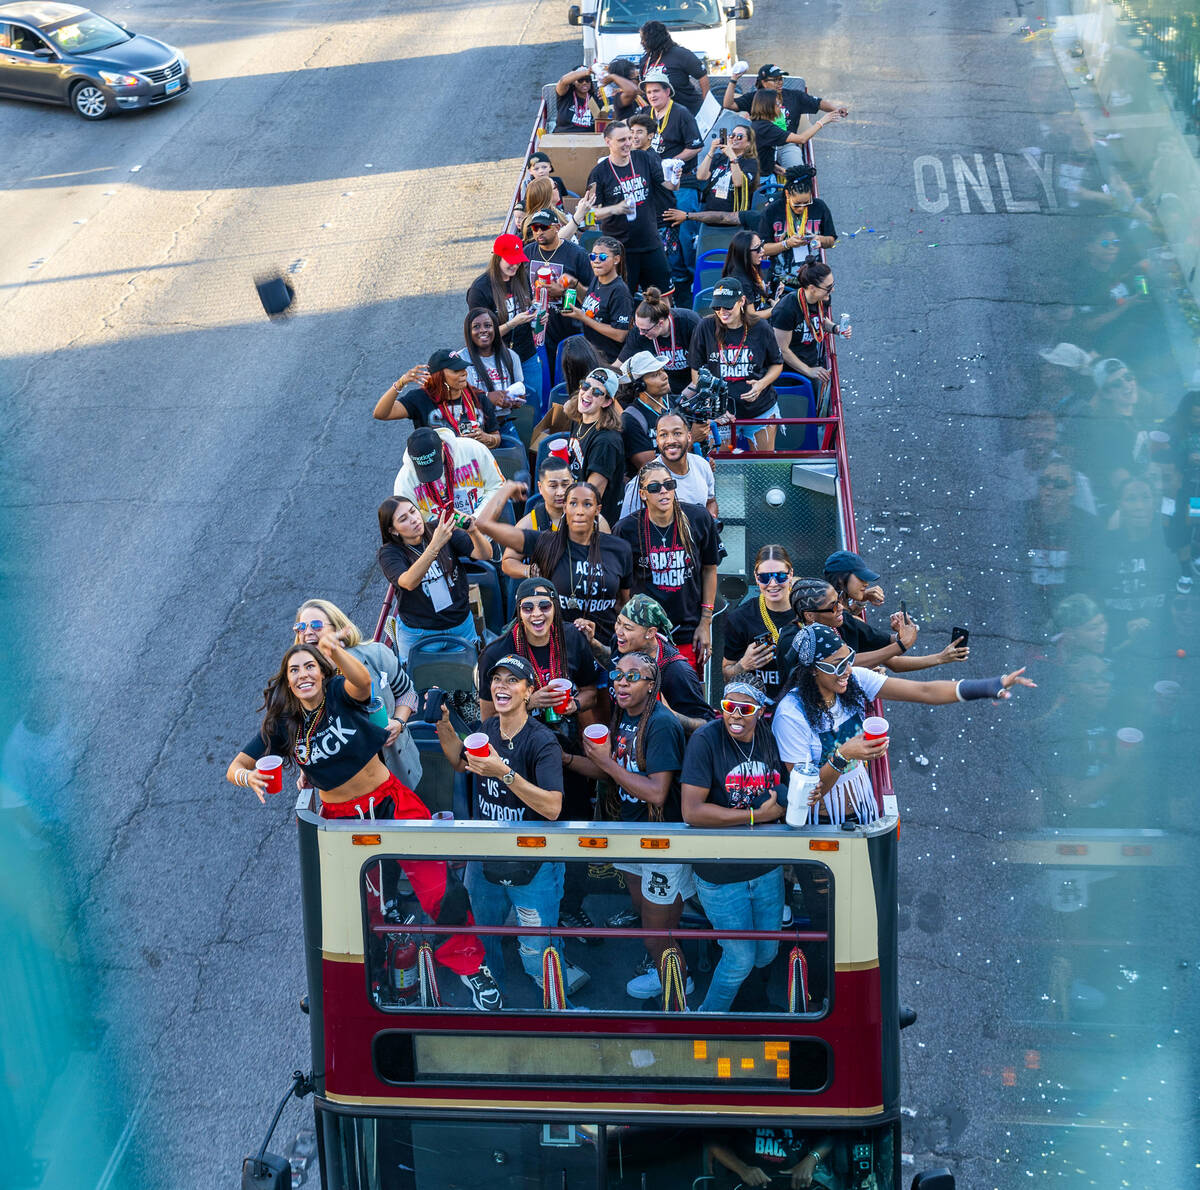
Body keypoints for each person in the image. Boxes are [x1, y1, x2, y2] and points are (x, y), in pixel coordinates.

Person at [227, 632, 502, 1010]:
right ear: (287, 680)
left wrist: (335, 650)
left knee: (439, 887)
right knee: (359, 907)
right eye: (294, 669)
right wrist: (250, 777)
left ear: (322, 673)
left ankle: (471, 968)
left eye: (310, 666)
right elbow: (236, 767)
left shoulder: (339, 692)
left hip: (390, 802)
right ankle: (365, 979)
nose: (303, 674)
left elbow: (364, 682)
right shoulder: (284, 724)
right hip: (342, 823)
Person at [773, 624, 1035, 824]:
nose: (847, 670)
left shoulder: (855, 679)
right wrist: (843, 755)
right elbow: (807, 795)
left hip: (864, 812)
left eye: (848, 659)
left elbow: (925, 692)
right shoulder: (790, 715)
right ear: (810, 670)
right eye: (836, 665)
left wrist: (992, 685)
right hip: (821, 825)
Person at [435, 654, 585, 997]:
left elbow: (552, 807)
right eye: (496, 680)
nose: (501, 686)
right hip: (485, 859)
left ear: (528, 692)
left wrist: (503, 772)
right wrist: (445, 728)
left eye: (512, 680)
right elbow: (462, 763)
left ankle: (554, 1003)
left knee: (537, 949)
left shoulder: (542, 741)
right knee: (485, 940)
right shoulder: (487, 729)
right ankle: (494, 998)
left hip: (534, 866)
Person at [477, 579, 604, 943]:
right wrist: (531, 704)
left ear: (555, 608)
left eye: (544, 606)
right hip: (517, 753)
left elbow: (595, 691)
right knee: (521, 831)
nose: (537, 614)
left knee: (572, 829)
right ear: (517, 611)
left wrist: (573, 705)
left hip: (565, 754)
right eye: (528, 607)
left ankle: (567, 906)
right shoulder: (497, 652)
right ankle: (517, 910)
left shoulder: (572, 639)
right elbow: (487, 719)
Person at [572, 650, 692, 1001]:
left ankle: (679, 986)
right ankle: (664, 970)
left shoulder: (662, 724)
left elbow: (657, 792)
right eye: (617, 676)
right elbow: (614, 773)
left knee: (655, 934)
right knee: (646, 916)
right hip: (632, 833)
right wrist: (569, 759)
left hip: (662, 841)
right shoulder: (622, 718)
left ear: (652, 685)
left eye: (632, 676)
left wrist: (607, 764)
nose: (621, 682)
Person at [680, 677, 787, 1013]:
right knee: (740, 957)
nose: (735, 715)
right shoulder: (706, 740)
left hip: (767, 866)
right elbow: (692, 811)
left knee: (767, 951)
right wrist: (755, 816)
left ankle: (750, 1004)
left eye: (745, 709)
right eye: (728, 707)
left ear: (761, 712)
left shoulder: (772, 737)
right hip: (720, 872)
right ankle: (706, 1024)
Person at [476, 479, 634, 647]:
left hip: (604, 647)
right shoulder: (545, 542)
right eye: (573, 504)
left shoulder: (619, 549)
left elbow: (622, 603)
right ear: (565, 508)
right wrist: (508, 488)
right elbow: (483, 524)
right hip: (556, 648)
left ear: (597, 510)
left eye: (587, 504)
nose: (579, 511)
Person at [614, 460, 720, 668]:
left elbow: (710, 569)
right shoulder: (626, 529)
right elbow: (622, 588)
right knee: (646, 694)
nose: (663, 491)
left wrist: (705, 622)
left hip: (690, 630)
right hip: (645, 634)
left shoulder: (698, 518)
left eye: (669, 485)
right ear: (643, 494)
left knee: (690, 693)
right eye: (654, 487)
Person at [291, 600, 418, 771]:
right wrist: (309, 768)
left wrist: (399, 723)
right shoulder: (302, 682)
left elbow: (407, 692)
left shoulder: (376, 654)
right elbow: (304, 732)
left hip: (397, 764)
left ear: (336, 628)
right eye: (301, 627)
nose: (307, 632)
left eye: (316, 625)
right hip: (350, 778)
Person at [376, 496, 490, 661]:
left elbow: (485, 554)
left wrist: (473, 531)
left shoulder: (438, 528)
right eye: (403, 519)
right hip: (419, 632)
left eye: (413, 511)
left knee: (468, 678)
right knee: (416, 683)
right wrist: (436, 544)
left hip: (460, 624)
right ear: (393, 530)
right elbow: (408, 582)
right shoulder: (389, 553)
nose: (414, 519)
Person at [793, 577, 967, 674]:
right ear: (809, 615)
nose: (840, 608)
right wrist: (901, 645)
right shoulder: (797, 639)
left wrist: (900, 634)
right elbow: (846, 663)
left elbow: (888, 652)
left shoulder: (843, 619)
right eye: (833, 606)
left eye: (839, 601)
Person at [689, 278, 783, 450]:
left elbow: (777, 364)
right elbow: (696, 369)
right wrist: (712, 403)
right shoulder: (705, 327)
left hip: (759, 409)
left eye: (727, 306)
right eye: (717, 307)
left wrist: (761, 384)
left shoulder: (761, 327)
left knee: (763, 465)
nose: (722, 311)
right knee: (720, 467)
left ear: (742, 301)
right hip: (719, 412)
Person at [586, 121, 672, 296]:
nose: (628, 143)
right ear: (608, 141)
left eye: (629, 138)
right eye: (621, 140)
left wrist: (675, 178)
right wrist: (614, 209)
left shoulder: (643, 158)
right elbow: (588, 216)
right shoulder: (599, 173)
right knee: (624, 299)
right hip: (620, 251)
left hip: (650, 243)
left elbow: (667, 185)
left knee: (662, 298)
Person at [607, 595, 716, 729]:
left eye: (628, 628)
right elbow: (611, 660)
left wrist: (668, 715)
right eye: (618, 622)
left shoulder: (676, 671)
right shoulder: (622, 644)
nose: (619, 631)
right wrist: (591, 643)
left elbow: (707, 724)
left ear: (650, 632)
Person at [501, 455, 613, 580]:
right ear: (540, 488)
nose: (560, 492)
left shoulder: (595, 520)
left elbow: (611, 560)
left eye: (565, 485)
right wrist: (529, 571)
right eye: (553, 486)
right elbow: (508, 561)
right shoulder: (530, 523)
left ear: (573, 483)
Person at [723, 62, 850, 171]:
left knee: (798, 172)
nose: (780, 82)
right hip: (761, 146)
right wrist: (734, 78)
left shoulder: (794, 96)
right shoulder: (755, 98)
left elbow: (817, 103)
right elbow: (728, 104)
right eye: (775, 79)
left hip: (787, 143)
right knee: (753, 171)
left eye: (781, 78)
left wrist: (836, 110)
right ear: (764, 83)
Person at [465, 234, 543, 411]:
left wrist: (536, 316)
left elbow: (527, 305)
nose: (515, 265)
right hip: (497, 360)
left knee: (533, 406)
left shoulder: (520, 278)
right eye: (511, 260)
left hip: (527, 354)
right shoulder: (480, 289)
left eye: (518, 260)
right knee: (506, 410)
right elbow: (478, 335)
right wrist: (512, 323)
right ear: (497, 258)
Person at [373, 347, 501, 449]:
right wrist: (400, 383)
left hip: (475, 467)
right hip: (441, 471)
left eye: (463, 368)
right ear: (440, 376)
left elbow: (496, 438)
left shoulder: (478, 397)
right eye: (456, 370)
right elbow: (381, 413)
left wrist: (486, 438)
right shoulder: (421, 398)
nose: (464, 373)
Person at [721, 545, 799, 705]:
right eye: (764, 577)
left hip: (803, 704)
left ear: (790, 574)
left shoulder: (807, 610)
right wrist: (744, 664)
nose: (772, 583)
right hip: (760, 708)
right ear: (756, 578)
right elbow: (727, 676)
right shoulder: (740, 618)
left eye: (780, 576)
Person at [523, 205, 594, 364]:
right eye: (535, 228)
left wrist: (565, 291)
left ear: (557, 227)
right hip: (539, 330)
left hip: (570, 329)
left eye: (543, 227)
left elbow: (591, 299)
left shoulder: (577, 254)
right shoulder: (528, 252)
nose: (539, 232)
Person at [618, 411, 718, 518]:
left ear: (689, 437)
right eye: (663, 435)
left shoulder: (702, 465)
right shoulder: (642, 481)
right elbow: (627, 528)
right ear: (657, 440)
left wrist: (710, 521)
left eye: (677, 433)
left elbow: (711, 502)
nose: (670, 440)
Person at [391, 425, 504, 520]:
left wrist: (476, 518)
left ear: (443, 445)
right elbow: (404, 518)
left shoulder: (472, 448)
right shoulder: (404, 480)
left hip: (483, 530)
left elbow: (497, 487)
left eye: (435, 464)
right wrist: (439, 528)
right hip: (442, 542)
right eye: (424, 469)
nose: (432, 473)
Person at [561, 366, 627, 522]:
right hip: (574, 503)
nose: (588, 393)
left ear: (606, 402)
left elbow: (591, 496)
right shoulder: (579, 422)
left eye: (597, 392)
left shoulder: (606, 442)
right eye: (585, 386)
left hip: (593, 521)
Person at [458, 307, 525, 447]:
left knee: (518, 461)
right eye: (476, 327)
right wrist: (488, 397)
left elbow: (520, 391)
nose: (483, 330)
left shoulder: (511, 356)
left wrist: (516, 401)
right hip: (473, 428)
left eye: (488, 325)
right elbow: (456, 397)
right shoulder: (460, 360)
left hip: (504, 422)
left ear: (495, 329)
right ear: (468, 333)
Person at [771, 261, 843, 391]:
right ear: (812, 288)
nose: (833, 290)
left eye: (833, 285)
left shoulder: (822, 298)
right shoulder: (786, 309)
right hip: (788, 373)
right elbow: (782, 350)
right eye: (828, 287)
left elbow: (820, 319)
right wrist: (809, 371)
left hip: (810, 363)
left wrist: (835, 329)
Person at [639, 66, 703, 208]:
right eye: (649, 92)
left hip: (682, 182)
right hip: (655, 182)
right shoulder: (646, 112)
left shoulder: (682, 113)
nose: (652, 95)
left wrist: (670, 162)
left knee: (683, 226)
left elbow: (696, 147)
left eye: (656, 91)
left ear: (667, 91)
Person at [562, 236, 633, 364]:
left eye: (603, 257)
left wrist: (583, 318)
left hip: (608, 359)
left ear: (616, 259)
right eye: (593, 256)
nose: (596, 261)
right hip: (592, 353)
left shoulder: (620, 292)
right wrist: (575, 284)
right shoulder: (598, 279)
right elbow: (592, 304)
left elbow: (620, 334)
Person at [617, 287, 701, 394]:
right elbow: (620, 364)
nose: (641, 333)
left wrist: (684, 397)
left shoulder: (690, 322)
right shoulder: (640, 331)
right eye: (638, 328)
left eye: (645, 330)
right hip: (663, 387)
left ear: (660, 323)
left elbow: (704, 367)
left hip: (693, 384)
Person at [748, 89, 841, 180]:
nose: (780, 106)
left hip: (765, 173)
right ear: (767, 106)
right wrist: (822, 121)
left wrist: (774, 167)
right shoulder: (765, 128)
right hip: (761, 180)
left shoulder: (760, 125)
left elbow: (761, 155)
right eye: (777, 104)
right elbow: (801, 139)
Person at [759, 166, 838, 272]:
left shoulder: (819, 207)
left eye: (806, 203)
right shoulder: (772, 210)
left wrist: (818, 238)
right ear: (787, 194)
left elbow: (831, 241)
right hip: (780, 277)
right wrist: (786, 244)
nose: (801, 208)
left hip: (813, 275)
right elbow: (763, 249)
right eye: (797, 204)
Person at [708, 1128, 835, 1190]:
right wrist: (743, 1169)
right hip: (746, 1183)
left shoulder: (805, 1102)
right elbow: (715, 1142)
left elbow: (831, 1134)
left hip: (795, 1182)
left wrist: (811, 1160)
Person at [618, 350, 676, 472]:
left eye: (662, 371)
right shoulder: (631, 420)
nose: (665, 376)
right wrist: (691, 442)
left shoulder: (673, 404)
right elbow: (652, 470)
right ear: (639, 386)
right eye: (655, 374)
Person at [639, 19, 708, 114]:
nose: (642, 42)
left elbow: (702, 76)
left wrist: (706, 105)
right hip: (661, 113)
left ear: (654, 38)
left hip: (688, 110)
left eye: (644, 39)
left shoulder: (681, 54)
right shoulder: (645, 60)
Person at [695, 125, 760, 218]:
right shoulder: (718, 157)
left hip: (733, 215)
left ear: (749, 143)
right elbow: (701, 176)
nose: (734, 139)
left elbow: (738, 182)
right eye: (732, 135)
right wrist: (711, 150)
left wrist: (731, 155)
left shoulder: (750, 162)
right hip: (710, 213)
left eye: (739, 136)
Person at [721, 229, 775, 314]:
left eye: (761, 245)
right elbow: (751, 316)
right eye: (757, 248)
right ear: (744, 253)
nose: (762, 251)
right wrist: (778, 308)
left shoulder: (752, 267)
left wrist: (772, 299)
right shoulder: (740, 281)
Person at [554, 65, 597, 131]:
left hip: (587, 138)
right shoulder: (565, 94)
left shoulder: (595, 99)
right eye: (580, 80)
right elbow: (563, 81)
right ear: (573, 82)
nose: (584, 83)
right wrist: (586, 72)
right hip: (562, 136)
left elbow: (601, 120)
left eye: (587, 80)